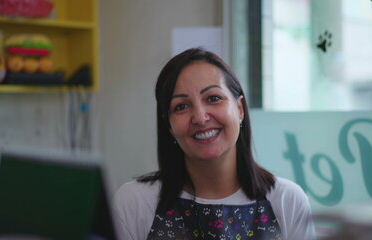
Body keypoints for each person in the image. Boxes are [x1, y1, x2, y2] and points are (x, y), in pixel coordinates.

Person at [113, 48, 316, 240]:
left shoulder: (287, 201)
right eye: (181, 106)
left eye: (213, 98)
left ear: (240, 109)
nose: (200, 118)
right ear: (168, 125)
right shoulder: (134, 202)